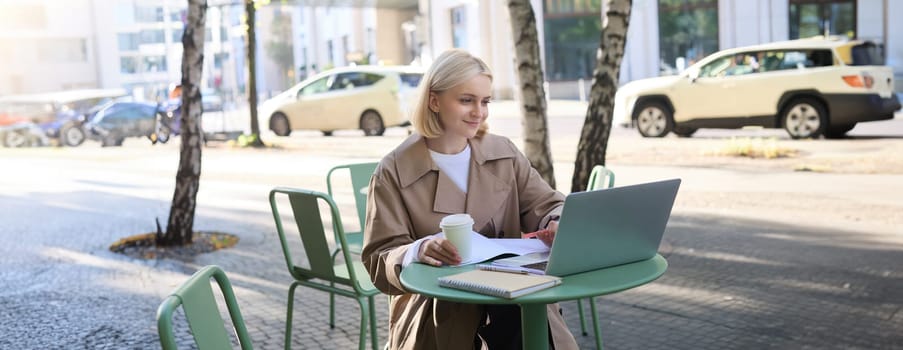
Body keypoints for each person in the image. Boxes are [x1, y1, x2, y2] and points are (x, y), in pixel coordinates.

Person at [361, 49, 578, 350]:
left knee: (528, 327)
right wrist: (419, 249)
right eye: (466, 100)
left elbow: (548, 204)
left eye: (485, 101)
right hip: (437, 308)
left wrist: (555, 221)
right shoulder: (393, 171)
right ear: (434, 101)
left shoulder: (504, 153)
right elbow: (378, 258)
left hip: (515, 294)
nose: (479, 112)